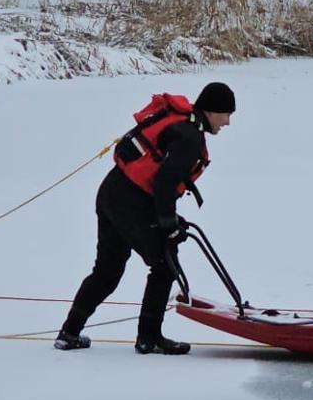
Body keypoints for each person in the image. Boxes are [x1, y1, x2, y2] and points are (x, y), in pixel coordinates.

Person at [55, 82, 235, 355]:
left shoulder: (181, 124)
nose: (228, 122)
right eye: (226, 114)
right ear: (211, 111)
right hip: (130, 202)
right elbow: (165, 181)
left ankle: (69, 333)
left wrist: (169, 218)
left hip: (111, 193)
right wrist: (167, 224)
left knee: (107, 271)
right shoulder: (190, 136)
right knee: (164, 264)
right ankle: (149, 338)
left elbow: (161, 180)